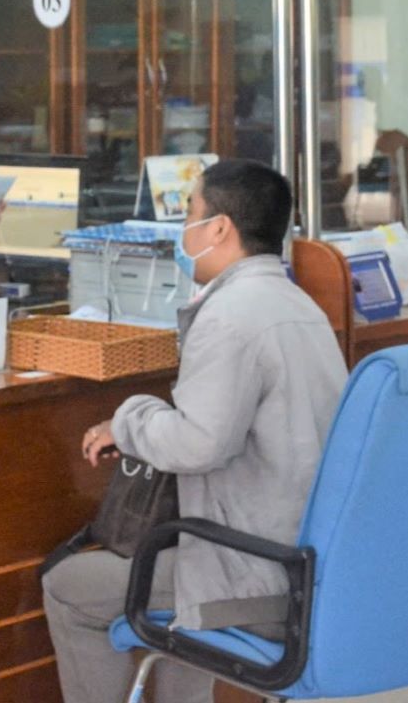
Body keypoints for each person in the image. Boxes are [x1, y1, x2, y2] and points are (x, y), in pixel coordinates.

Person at [42, 160, 348, 703]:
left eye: (189, 213)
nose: (183, 230)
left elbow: (198, 443)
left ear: (220, 229)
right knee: (181, 588)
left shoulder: (230, 315)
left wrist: (127, 419)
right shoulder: (300, 307)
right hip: (310, 567)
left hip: (256, 576)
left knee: (68, 588)